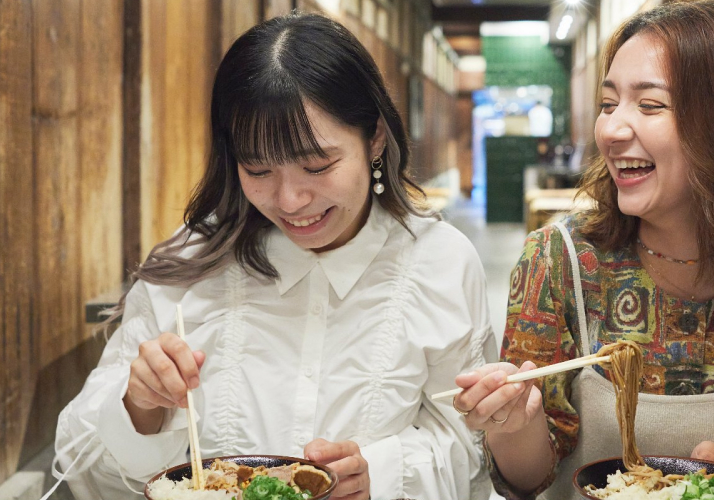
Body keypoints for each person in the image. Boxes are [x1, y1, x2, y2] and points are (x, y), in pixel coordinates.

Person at [52, 12, 496, 500]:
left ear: (374, 137)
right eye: (258, 169)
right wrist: (140, 407)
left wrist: (381, 476)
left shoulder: (440, 263)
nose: (290, 201)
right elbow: (82, 467)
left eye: (317, 165)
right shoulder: (192, 263)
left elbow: (471, 451)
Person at [450, 2, 714, 500]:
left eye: (649, 105)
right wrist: (513, 423)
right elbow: (525, 480)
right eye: (608, 104)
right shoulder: (559, 262)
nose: (610, 130)